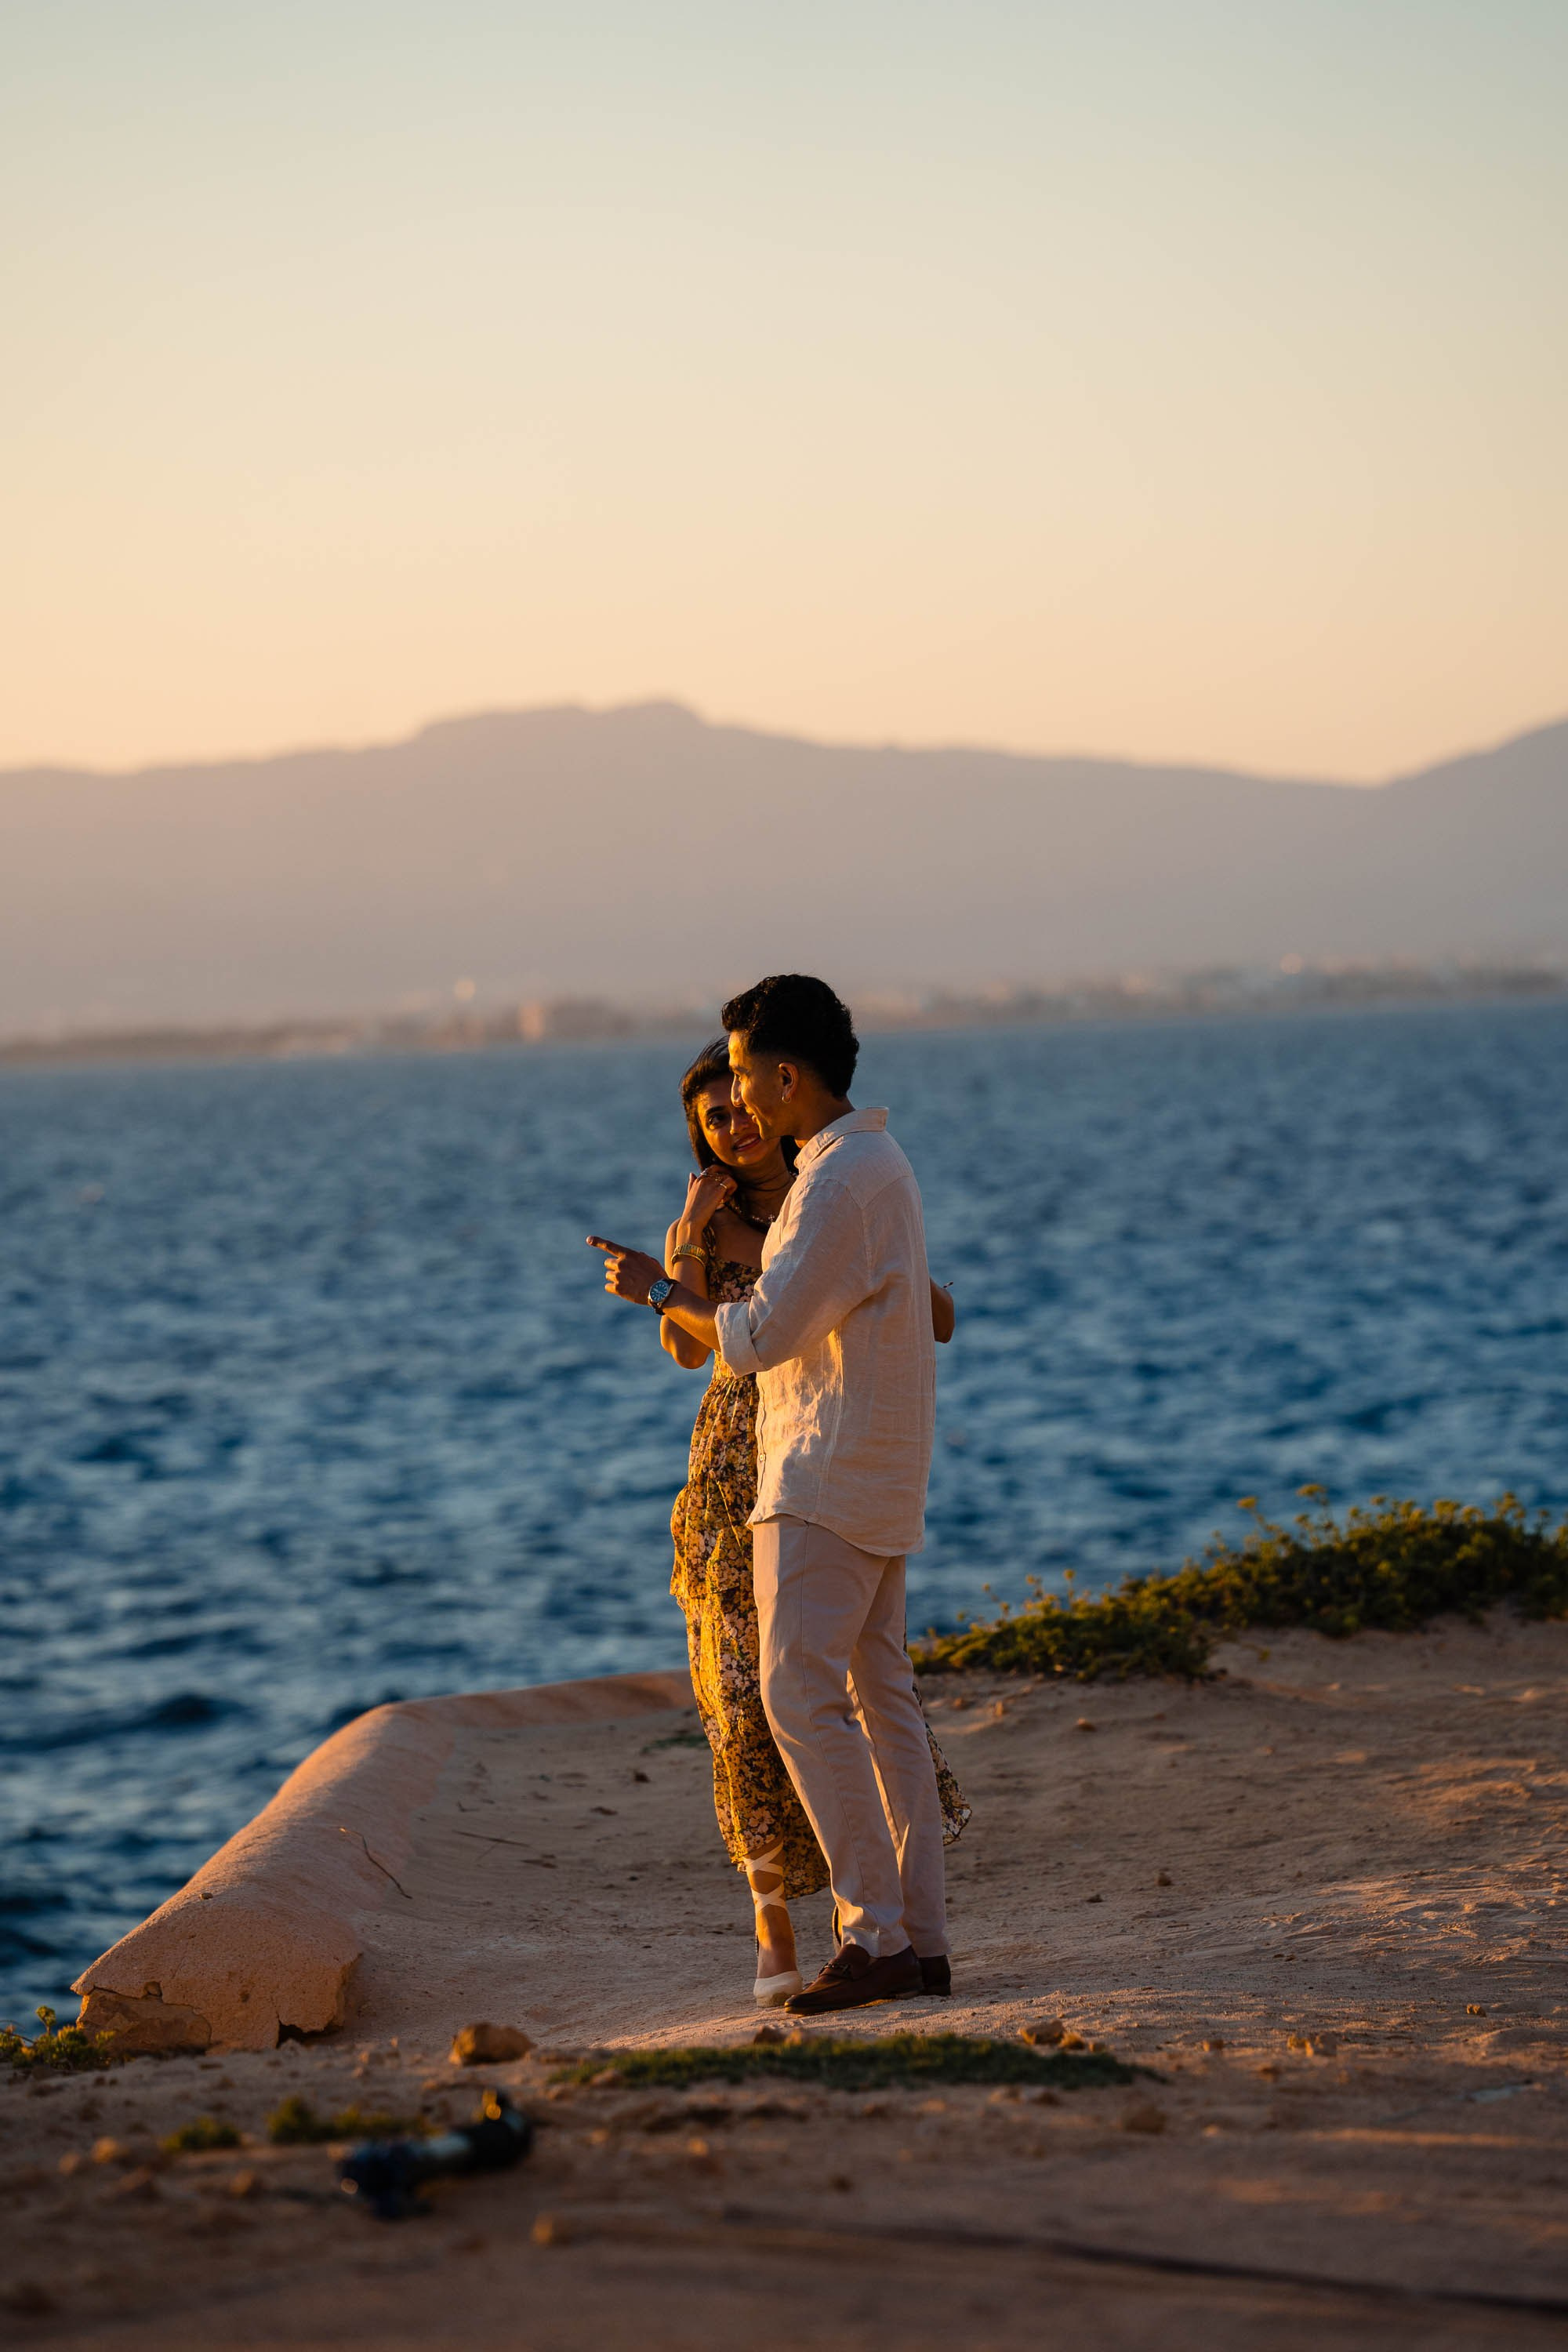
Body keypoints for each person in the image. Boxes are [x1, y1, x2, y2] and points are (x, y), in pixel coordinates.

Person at [589, 975, 957, 2014]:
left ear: (789, 1076)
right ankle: (918, 1940)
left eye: (746, 1075)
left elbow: (753, 1341)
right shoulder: (875, 1165)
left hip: (822, 1475)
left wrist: (659, 1287)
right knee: (883, 1704)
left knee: (800, 1697)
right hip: (880, 1471)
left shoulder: (836, 1185)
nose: (739, 1099)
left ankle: (876, 1936)